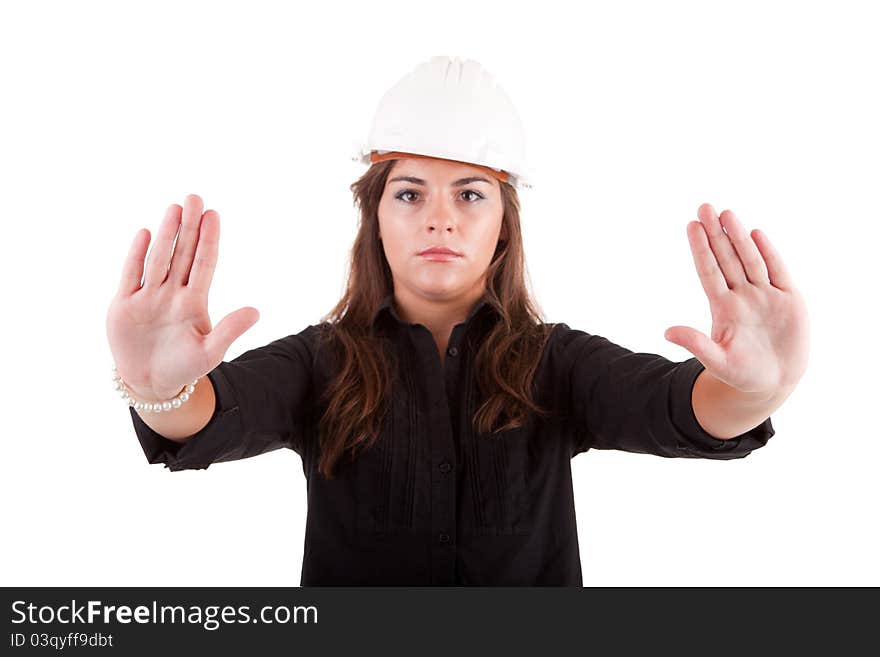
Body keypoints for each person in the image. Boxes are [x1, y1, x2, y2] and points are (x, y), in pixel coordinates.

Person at [105, 56, 809, 586]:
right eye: (409, 193)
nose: (440, 215)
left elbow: (676, 407)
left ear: (504, 225)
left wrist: (755, 391)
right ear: (374, 219)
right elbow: (208, 415)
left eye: (471, 193)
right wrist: (155, 387)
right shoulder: (319, 363)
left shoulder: (555, 364)